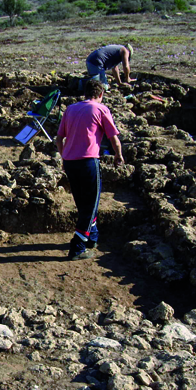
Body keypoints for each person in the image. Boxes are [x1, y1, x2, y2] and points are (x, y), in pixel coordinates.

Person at [54, 79, 124, 260]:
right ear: (100, 94)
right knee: (91, 205)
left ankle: (92, 238)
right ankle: (77, 248)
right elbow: (114, 137)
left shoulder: (70, 109)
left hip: (70, 162)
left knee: (83, 202)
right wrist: (118, 155)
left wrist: (64, 157)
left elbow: (58, 138)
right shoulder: (100, 109)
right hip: (87, 162)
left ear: (85, 93)